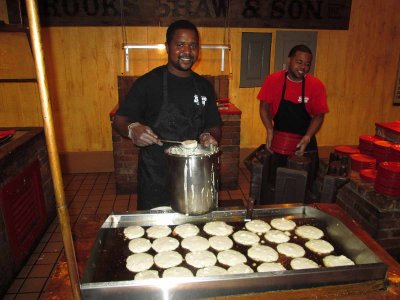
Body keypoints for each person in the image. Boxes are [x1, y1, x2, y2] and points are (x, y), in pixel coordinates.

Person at [113, 20, 222, 210]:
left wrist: (209, 136)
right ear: (167, 47)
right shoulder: (148, 83)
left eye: (193, 45)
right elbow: (119, 120)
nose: (187, 51)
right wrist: (132, 130)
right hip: (156, 177)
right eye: (180, 45)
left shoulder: (204, 86)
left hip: (195, 176)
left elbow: (214, 125)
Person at [258, 44, 328, 194]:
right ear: (289, 60)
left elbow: (319, 115)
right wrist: (269, 130)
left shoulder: (316, 86)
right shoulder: (273, 80)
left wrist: (308, 137)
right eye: (299, 62)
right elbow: (264, 107)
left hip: (305, 142)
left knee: (304, 187)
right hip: (280, 141)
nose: (303, 67)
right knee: (276, 185)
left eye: (307, 64)